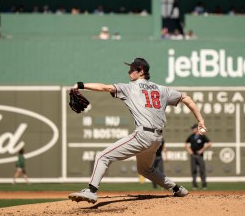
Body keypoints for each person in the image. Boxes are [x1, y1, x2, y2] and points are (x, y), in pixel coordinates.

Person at [68, 58, 207, 203]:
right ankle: (177, 189)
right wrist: (200, 120)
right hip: (157, 139)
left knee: (103, 156)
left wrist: (81, 85)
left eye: (132, 69)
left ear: (141, 71)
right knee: (145, 170)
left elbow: (105, 87)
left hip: (143, 135)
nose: (129, 72)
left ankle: (91, 191)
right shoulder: (161, 89)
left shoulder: (130, 87)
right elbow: (186, 98)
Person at [185, 124, 212, 190]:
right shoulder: (191, 136)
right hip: (193, 155)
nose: (192, 130)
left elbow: (210, 143)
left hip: (200, 156)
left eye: (193, 128)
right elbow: (185, 143)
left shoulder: (201, 136)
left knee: (202, 170)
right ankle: (194, 185)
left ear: (196, 129)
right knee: (194, 170)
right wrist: (189, 150)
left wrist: (202, 150)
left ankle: (204, 185)